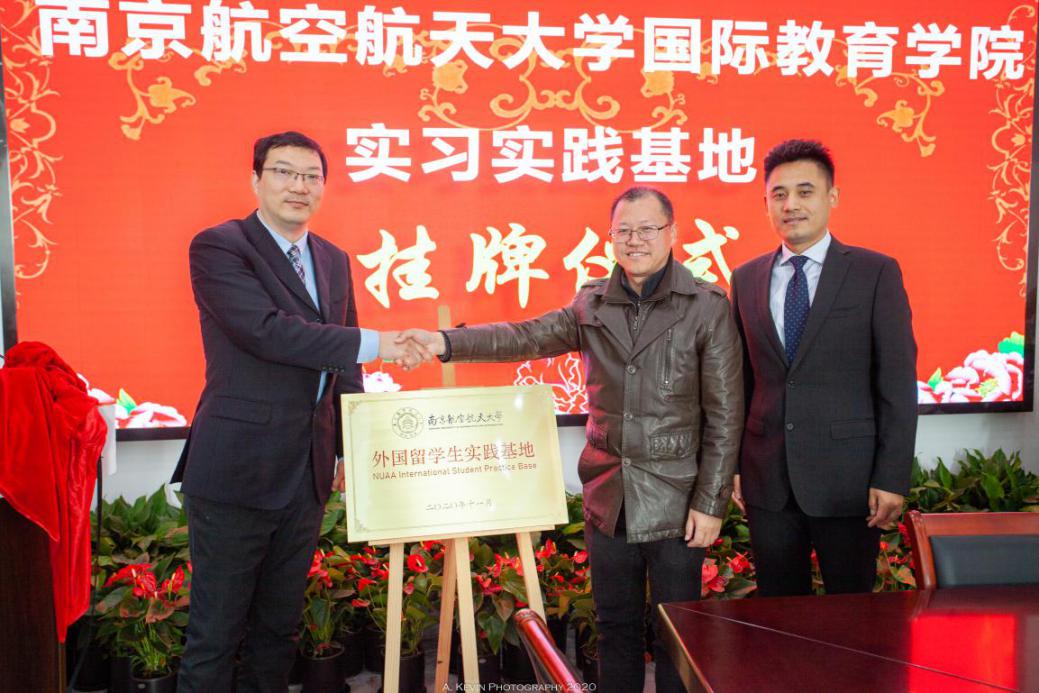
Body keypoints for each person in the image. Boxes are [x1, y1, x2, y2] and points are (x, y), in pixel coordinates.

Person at [400, 187, 743, 693]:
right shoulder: (592, 303)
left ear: (672, 233)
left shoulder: (705, 306)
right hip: (610, 496)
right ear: (611, 237)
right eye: (623, 231)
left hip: (677, 496)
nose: (635, 240)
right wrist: (443, 342)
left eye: (647, 229)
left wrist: (710, 503)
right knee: (613, 628)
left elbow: (726, 412)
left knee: (677, 633)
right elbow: (524, 336)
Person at [171, 131, 429, 691]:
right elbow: (267, 333)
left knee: (278, 631)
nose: (299, 186)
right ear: (256, 179)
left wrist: (347, 446)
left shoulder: (332, 259)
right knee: (215, 635)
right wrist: (380, 342)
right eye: (285, 172)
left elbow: (346, 366)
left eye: (312, 176)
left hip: (307, 475)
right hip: (237, 471)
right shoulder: (220, 246)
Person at [729, 139, 917, 597]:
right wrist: (733, 465)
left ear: (832, 197)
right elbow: (740, 382)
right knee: (779, 614)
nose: (790, 205)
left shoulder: (874, 272)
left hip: (848, 482)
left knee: (851, 615)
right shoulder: (746, 277)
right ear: (766, 203)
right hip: (768, 481)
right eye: (778, 194)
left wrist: (890, 477)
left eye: (805, 191)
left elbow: (896, 383)